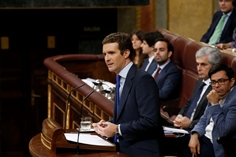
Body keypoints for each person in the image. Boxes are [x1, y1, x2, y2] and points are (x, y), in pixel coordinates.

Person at [92, 32, 164, 156]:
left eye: (111, 53)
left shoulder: (142, 79)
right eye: (105, 54)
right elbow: (127, 116)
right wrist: (107, 124)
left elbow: (150, 121)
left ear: (126, 53)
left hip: (141, 150)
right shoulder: (121, 78)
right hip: (124, 147)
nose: (107, 58)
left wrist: (116, 129)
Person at [188, 63, 236, 157]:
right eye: (213, 82)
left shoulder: (234, 100)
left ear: (232, 81)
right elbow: (204, 119)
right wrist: (195, 135)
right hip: (204, 137)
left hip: (217, 145)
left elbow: (224, 131)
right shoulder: (215, 94)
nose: (217, 86)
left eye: (221, 81)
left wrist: (214, 104)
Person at [174, 46, 222, 130]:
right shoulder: (200, 81)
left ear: (216, 66)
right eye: (197, 64)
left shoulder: (218, 87)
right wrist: (180, 115)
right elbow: (189, 102)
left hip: (197, 132)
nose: (199, 68)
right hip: (183, 128)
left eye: (203, 64)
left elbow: (210, 119)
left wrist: (190, 124)